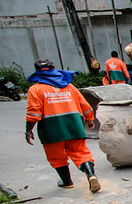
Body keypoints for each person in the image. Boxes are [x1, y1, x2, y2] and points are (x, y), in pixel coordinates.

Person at [25, 59, 101, 193]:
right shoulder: (69, 87)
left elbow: (33, 114)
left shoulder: (35, 89)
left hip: (51, 129)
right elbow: (85, 105)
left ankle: (67, 182)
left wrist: (28, 131)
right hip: (74, 126)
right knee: (81, 153)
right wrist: (90, 119)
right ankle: (91, 175)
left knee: (56, 157)